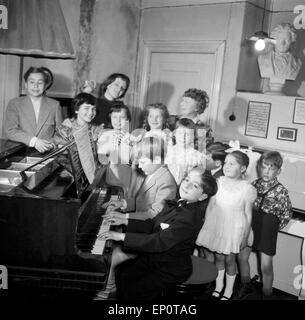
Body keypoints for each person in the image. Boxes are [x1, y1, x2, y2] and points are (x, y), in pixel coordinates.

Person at [98, 168, 218, 301]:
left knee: (135, 291)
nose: (187, 185)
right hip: (157, 258)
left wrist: (119, 236)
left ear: (202, 196)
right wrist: (125, 221)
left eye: (195, 185)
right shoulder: (179, 203)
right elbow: (152, 224)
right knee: (123, 273)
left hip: (169, 268)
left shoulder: (188, 219)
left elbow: (158, 241)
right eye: (187, 179)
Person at [94, 136, 177, 300]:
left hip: (153, 237)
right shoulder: (153, 173)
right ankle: (112, 284)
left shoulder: (166, 182)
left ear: (158, 159)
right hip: (144, 228)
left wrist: (124, 218)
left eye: (143, 161)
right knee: (111, 244)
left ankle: (109, 289)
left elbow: (154, 215)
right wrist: (123, 203)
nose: (139, 165)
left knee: (113, 254)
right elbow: (142, 202)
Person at [196, 151, 257, 300]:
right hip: (216, 224)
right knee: (218, 258)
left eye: (232, 163)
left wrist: (245, 236)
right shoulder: (219, 182)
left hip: (235, 227)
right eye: (225, 163)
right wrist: (207, 227)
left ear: (242, 169)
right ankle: (218, 286)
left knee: (230, 260)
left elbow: (248, 215)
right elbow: (211, 206)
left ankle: (228, 290)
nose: (226, 166)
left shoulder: (246, 188)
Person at [236, 151, 292, 300]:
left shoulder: (281, 191)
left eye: (271, 168)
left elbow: (286, 215)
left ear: (278, 171)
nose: (267, 171)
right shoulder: (253, 185)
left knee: (265, 266)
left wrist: (272, 227)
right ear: (259, 167)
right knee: (242, 257)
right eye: (264, 167)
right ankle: (245, 285)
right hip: (251, 224)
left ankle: (267, 294)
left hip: (268, 228)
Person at [4, 66, 63, 153]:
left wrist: (52, 143)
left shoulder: (55, 105)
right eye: (32, 82)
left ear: (45, 85)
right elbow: (10, 130)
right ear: (26, 84)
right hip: (19, 154)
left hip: (47, 154)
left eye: (40, 83)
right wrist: (34, 141)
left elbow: (60, 133)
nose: (35, 86)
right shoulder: (14, 104)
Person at [97, 104, 134, 193]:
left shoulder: (131, 138)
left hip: (125, 179)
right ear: (110, 118)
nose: (118, 121)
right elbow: (102, 159)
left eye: (122, 117)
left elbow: (131, 160)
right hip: (109, 178)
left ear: (127, 120)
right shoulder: (104, 135)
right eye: (114, 117)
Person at [165, 118, 206, 185]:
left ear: (193, 136)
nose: (183, 137)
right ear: (175, 134)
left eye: (187, 134)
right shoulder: (168, 151)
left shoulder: (197, 156)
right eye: (180, 133)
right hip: (167, 185)